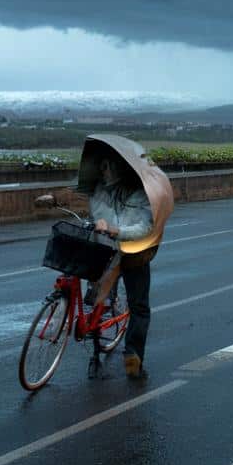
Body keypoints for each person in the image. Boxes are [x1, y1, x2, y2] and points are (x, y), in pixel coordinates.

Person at [89, 154, 155, 380]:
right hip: (109, 251)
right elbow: (91, 207)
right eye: (103, 166)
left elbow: (144, 227)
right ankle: (118, 351)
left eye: (107, 166)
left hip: (132, 253)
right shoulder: (104, 189)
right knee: (98, 299)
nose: (104, 170)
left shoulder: (138, 193)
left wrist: (117, 230)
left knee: (137, 306)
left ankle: (132, 357)